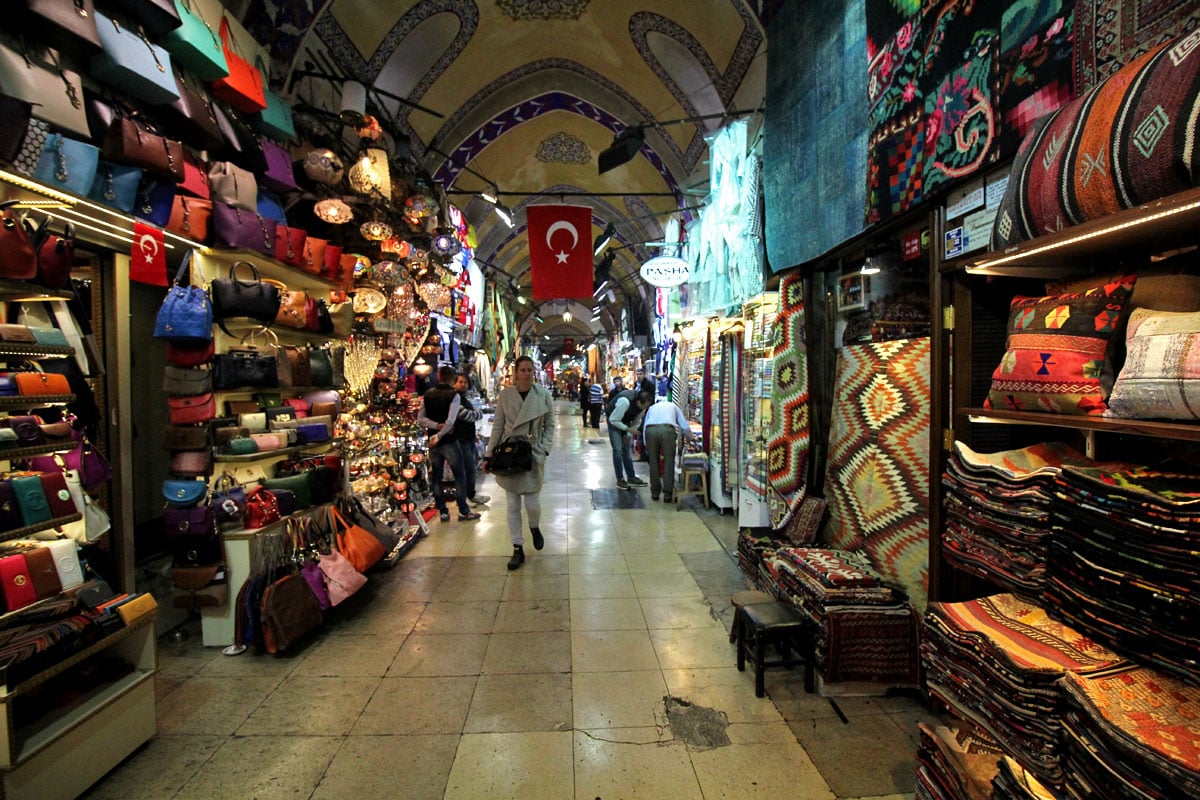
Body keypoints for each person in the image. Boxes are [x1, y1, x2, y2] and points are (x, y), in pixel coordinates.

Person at [482, 356, 554, 570]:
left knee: (532, 504)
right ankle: (517, 548)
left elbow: (550, 424)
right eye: (522, 370)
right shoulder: (506, 396)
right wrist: (488, 455)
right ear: (516, 373)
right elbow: (498, 427)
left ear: (534, 372)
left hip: (532, 453)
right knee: (512, 505)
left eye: (529, 370)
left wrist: (544, 448)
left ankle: (534, 527)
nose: (526, 373)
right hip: (509, 454)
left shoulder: (543, 395)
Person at [417, 365, 483, 523]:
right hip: (448, 441)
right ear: (452, 379)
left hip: (433, 443)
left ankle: (443, 512)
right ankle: (463, 511)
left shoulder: (428, 394)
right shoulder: (453, 396)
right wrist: (440, 432)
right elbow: (451, 421)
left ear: (438, 377)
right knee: (460, 475)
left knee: (437, 477)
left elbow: (421, 419)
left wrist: (434, 428)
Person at [640, 396, 694, 502]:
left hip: (650, 430)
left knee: (653, 462)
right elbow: (684, 425)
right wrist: (691, 438)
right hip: (667, 430)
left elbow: (645, 425)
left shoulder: (652, 408)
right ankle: (667, 494)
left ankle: (655, 493)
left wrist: (646, 444)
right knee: (669, 461)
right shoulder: (673, 406)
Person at [453, 372, 489, 507]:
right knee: (465, 470)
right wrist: (475, 413)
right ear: (454, 383)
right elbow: (468, 415)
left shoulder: (464, 399)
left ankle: (471, 494)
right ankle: (464, 498)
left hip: (468, 438)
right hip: (460, 439)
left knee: (471, 469)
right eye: (460, 382)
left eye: (465, 382)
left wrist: (475, 414)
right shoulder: (454, 399)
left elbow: (476, 414)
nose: (463, 384)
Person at [606, 388, 652, 489]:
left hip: (625, 421)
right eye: (644, 406)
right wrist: (627, 429)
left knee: (626, 450)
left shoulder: (643, 407)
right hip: (614, 420)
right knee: (618, 450)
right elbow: (613, 419)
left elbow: (636, 422)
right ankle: (620, 479)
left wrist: (627, 434)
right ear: (639, 402)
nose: (645, 408)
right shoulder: (625, 402)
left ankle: (631, 477)